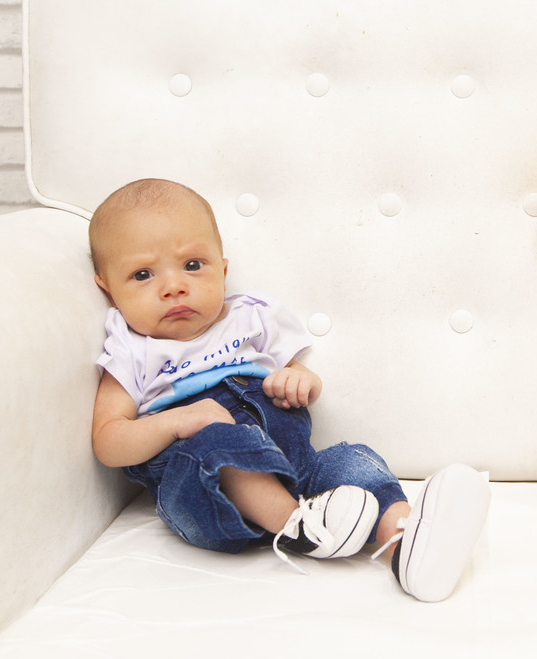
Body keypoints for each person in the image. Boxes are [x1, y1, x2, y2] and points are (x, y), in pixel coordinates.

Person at [88, 178, 489, 601]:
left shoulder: (251, 318)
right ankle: (299, 528)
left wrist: (299, 379)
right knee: (218, 445)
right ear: (108, 289)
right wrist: (177, 421)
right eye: (143, 274)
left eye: (192, 265)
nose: (174, 286)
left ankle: (407, 542)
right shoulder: (132, 350)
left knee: (348, 462)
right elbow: (108, 441)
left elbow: (297, 371)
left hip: (295, 468)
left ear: (222, 270)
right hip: (206, 493)